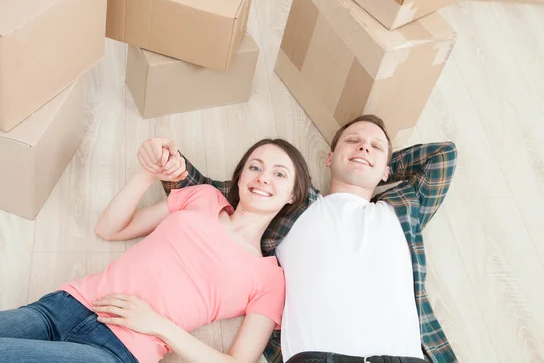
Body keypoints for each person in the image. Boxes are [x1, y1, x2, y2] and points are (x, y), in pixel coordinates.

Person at [0, 138, 312, 363]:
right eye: (255, 166)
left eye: (280, 174)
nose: (263, 176)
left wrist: (157, 325)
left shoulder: (270, 278)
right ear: (241, 175)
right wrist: (148, 174)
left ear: (294, 194)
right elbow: (110, 227)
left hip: (117, 352)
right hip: (64, 307)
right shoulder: (203, 198)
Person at [143, 114, 459, 363]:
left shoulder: (403, 209)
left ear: (388, 171)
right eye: (354, 141)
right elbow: (209, 195)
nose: (364, 147)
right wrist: (171, 165)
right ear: (329, 157)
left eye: (375, 146)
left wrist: (378, 165)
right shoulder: (293, 201)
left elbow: (443, 156)